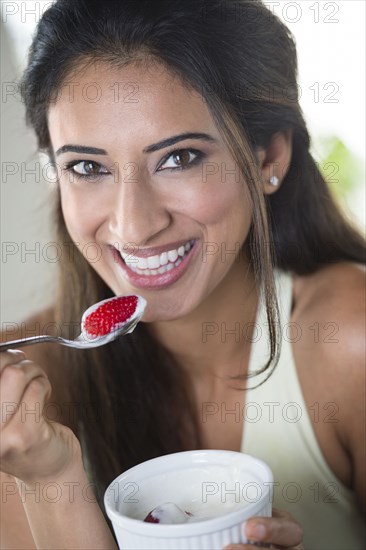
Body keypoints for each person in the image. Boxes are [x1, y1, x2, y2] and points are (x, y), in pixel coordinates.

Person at [0, 0, 365, 548]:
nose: (134, 225)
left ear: (269, 156)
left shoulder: (350, 339)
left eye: (179, 158)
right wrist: (52, 482)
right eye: (88, 167)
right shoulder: (21, 410)